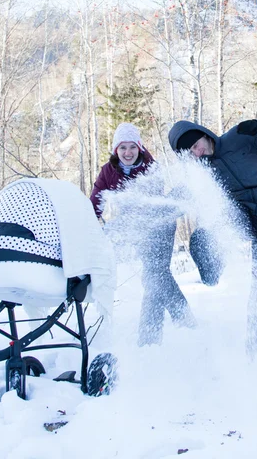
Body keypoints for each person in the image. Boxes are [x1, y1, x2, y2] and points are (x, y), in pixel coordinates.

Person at [168, 118, 257, 355]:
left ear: (203, 133)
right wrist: (159, 205)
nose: (197, 151)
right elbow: (182, 195)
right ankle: (211, 268)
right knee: (205, 233)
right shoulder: (202, 172)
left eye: (196, 143)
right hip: (240, 214)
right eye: (190, 151)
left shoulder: (239, 138)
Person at [91, 122, 194, 346]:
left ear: (139, 147)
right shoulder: (108, 171)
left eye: (132, 147)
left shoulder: (150, 167)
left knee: (153, 275)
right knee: (155, 276)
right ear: (116, 150)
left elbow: (149, 206)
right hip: (137, 228)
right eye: (122, 148)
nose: (128, 153)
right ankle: (177, 323)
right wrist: (91, 222)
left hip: (160, 226)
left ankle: (152, 336)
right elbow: (97, 199)